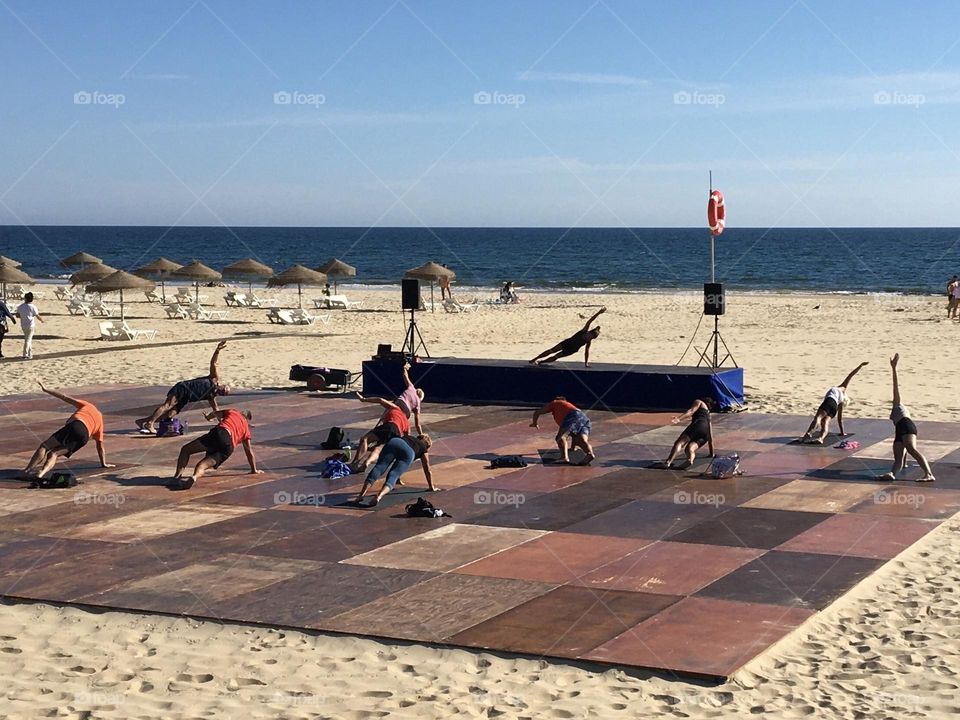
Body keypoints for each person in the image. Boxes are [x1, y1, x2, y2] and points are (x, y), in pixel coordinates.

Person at [136, 340, 231, 434]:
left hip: (185, 399)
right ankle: (150, 423)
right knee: (167, 406)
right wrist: (217, 350)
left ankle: (143, 421)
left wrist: (218, 422)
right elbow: (213, 363)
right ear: (222, 385)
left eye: (224, 393)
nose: (223, 392)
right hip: (182, 388)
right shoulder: (214, 379)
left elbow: (216, 411)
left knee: (169, 415)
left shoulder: (211, 396)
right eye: (225, 389)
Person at [23, 382, 113, 479]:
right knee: (54, 453)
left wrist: (46, 390)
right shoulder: (100, 422)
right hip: (84, 437)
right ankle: (41, 473)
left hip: (77, 425)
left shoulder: (88, 406)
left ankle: (27, 471)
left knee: (45, 446)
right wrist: (103, 463)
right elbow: (100, 446)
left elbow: (64, 397)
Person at [170, 408, 262, 490]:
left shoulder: (233, 411)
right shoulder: (246, 429)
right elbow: (249, 451)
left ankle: (177, 477)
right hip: (228, 447)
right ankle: (194, 476)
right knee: (202, 465)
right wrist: (254, 470)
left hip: (221, 433)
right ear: (247, 420)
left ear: (241, 413)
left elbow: (215, 413)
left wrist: (208, 417)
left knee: (186, 449)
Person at [879, 354, 935, 483]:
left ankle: (929, 473)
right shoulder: (894, 409)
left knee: (911, 449)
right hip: (900, 429)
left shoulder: (897, 404)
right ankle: (892, 473)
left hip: (906, 426)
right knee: (898, 456)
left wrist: (893, 368)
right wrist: (904, 464)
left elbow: (895, 386)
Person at [355, 433, 437, 506]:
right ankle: (379, 496)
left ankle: (360, 495)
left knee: (379, 467)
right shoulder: (423, 448)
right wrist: (431, 486)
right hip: (409, 452)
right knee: (393, 475)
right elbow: (427, 469)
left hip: (395, 442)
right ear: (427, 445)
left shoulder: (409, 437)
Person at [800, 362, 869, 444]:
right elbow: (840, 419)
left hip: (830, 401)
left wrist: (860, 366)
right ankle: (821, 438)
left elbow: (850, 375)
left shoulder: (842, 388)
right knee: (825, 422)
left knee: (818, 417)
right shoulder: (840, 403)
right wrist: (842, 432)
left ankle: (809, 433)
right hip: (834, 409)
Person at [350, 392, 411, 471]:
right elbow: (407, 438)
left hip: (390, 425)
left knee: (365, 439)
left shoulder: (396, 408)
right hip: (397, 434)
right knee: (378, 449)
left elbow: (380, 400)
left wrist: (363, 399)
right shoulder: (406, 422)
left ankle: (354, 463)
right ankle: (367, 462)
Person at [529, 307, 606, 368]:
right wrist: (599, 312)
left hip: (572, 350)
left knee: (556, 357)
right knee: (551, 350)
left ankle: (541, 362)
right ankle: (535, 359)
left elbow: (586, 352)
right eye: (590, 336)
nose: (590, 338)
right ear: (590, 333)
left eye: (592, 338)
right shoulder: (584, 331)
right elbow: (590, 320)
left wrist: (586, 363)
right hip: (567, 343)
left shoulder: (588, 342)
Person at [530, 396, 596, 465]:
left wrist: (534, 423)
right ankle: (590, 454)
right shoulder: (566, 409)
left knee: (560, 437)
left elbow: (537, 412)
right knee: (582, 440)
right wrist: (572, 448)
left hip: (573, 416)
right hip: (584, 418)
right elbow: (573, 434)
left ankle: (564, 458)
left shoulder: (555, 403)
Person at [663, 397, 715, 468]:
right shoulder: (708, 415)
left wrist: (679, 418)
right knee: (690, 448)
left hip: (698, 424)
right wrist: (712, 453)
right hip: (705, 433)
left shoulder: (699, 402)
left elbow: (691, 411)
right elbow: (710, 437)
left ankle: (668, 462)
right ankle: (690, 459)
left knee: (680, 443)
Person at [16, 292, 42, 360]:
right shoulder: (33, 307)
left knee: (28, 339)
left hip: (23, 325)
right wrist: (42, 320)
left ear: (25, 298)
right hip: (30, 325)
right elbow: (37, 315)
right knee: (28, 339)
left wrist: (23, 316)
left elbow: (17, 315)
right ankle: (25, 354)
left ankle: (30, 354)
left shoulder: (21, 306)